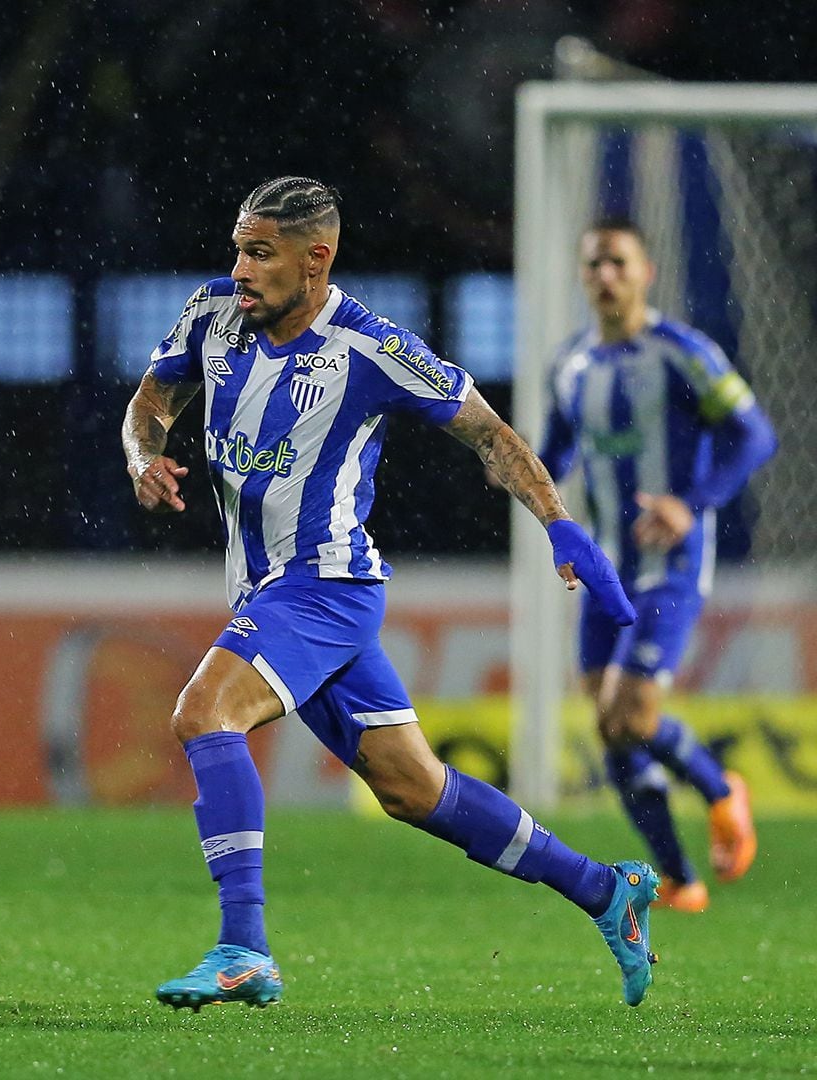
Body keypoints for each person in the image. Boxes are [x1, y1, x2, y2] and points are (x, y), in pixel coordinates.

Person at [122, 177, 657, 1010]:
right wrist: (140, 456)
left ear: (316, 259)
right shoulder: (211, 314)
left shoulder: (373, 348)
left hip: (326, 585)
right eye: (238, 247)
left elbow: (489, 432)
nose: (240, 268)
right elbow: (151, 403)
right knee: (414, 789)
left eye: (260, 253)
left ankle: (243, 947)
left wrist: (560, 523)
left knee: (203, 714)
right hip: (270, 589)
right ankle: (604, 890)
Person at [541, 219, 776, 913]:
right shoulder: (571, 365)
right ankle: (680, 878)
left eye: (618, 262)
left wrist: (691, 501)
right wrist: (521, 479)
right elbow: (555, 456)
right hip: (606, 565)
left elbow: (754, 434)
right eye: (594, 265)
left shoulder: (683, 353)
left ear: (645, 272)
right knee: (610, 720)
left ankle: (720, 789)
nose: (605, 276)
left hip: (671, 559)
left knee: (633, 713)